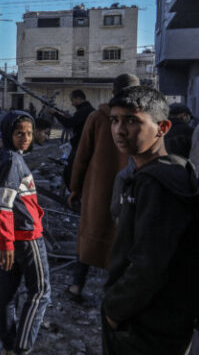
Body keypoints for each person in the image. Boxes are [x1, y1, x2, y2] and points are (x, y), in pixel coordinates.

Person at [102, 86, 199, 355]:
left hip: (143, 325)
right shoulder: (179, 168)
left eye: (132, 121)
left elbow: (148, 265)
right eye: (115, 120)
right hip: (168, 319)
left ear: (163, 127)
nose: (120, 130)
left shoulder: (154, 182)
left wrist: (113, 309)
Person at [65, 73, 140, 302]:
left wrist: (75, 188)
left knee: (90, 234)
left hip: (97, 188)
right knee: (123, 238)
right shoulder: (143, 119)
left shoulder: (98, 117)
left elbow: (82, 156)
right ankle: (113, 293)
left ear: (113, 92)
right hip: (130, 189)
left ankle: (77, 286)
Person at [0, 112, 50, 355]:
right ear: (8, 134)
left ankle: (8, 345)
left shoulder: (7, 157)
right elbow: (4, 205)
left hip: (14, 237)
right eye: (19, 134)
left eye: (28, 133)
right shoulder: (12, 161)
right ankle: (21, 348)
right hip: (26, 236)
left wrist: (6, 241)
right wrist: (6, 242)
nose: (25, 138)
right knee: (40, 292)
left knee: (9, 291)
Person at [49, 90, 95, 188]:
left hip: (81, 145)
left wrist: (55, 114)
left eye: (72, 100)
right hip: (83, 144)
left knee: (69, 171)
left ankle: (75, 193)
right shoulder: (86, 110)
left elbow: (69, 123)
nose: (72, 103)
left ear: (79, 98)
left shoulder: (84, 110)